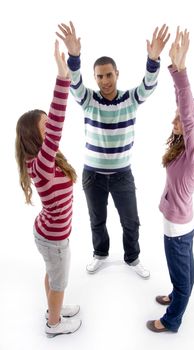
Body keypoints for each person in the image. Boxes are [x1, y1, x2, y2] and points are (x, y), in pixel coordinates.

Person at [56, 21, 170, 278]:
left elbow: (148, 86)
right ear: (95, 77)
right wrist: (74, 56)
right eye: (99, 76)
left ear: (117, 73)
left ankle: (133, 257)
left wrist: (153, 59)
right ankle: (100, 254)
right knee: (97, 220)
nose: (104, 80)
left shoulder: (130, 99)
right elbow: (74, 84)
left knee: (130, 221)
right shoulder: (89, 100)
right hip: (92, 175)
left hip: (122, 174)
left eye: (109, 75)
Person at [146, 28, 194, 333]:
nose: (174, 121)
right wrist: (173, 68)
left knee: (181, 275)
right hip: (183, 223)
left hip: (177, 228)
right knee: (183, 269)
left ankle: (173, 319)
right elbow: (183, 108)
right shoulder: (189, 149)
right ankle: (177, 293)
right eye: (175, 116)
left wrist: (183, 69)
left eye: (180, 119)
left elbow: (188, 113)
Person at [15, 40, 82, 337]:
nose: (51, 126)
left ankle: (52, 307)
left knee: (53, 278)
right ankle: (54, 324)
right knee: (59, 281)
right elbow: (58, 120)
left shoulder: (45, 160)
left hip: (50, 234)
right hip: (53, 239)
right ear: (37, 135)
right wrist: (63, 75)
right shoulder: (40, 162)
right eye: (46, 125)